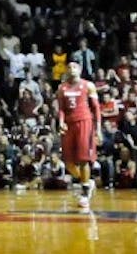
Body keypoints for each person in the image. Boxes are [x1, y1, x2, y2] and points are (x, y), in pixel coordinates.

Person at [55, 60, 100, 211]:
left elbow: (96, 109)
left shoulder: (88, 85)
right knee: (68, 162)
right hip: (69, 124)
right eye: (69, 67)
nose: (72, 69)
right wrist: (60, 122)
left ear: (80, 70)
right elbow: (61, 109)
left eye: (75, 66)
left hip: (84, 122)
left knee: (83, 160)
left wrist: (98, 129)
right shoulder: (62, 88)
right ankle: (86, 181)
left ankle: (85, 193)